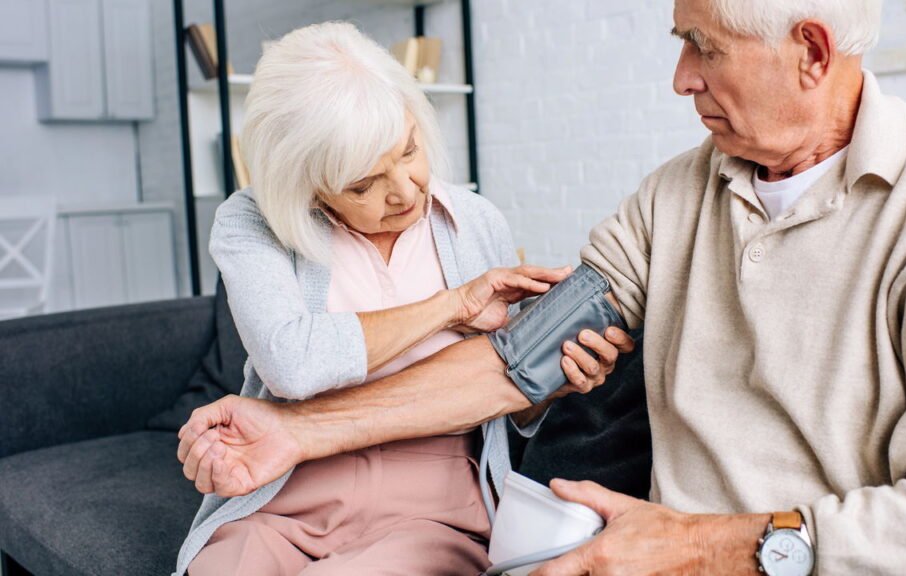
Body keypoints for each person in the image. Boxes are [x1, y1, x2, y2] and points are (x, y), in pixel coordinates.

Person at [178, 0, 906, 574]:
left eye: (704, 46)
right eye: (679, 42)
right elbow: (515, 362)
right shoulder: (675, 194)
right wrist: (296, 435)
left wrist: (705, 548)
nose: (681, 78)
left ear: (809, 51)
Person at [173, 22, 634, 576]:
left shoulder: (473, 221)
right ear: (306, 184)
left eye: (409, 150)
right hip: (286, 489)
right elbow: (292, 363)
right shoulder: (253, 221)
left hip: (435, 504)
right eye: (363, 185)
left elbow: (506, 403)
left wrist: (550, 383)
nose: (406, 189)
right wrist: (454, 304)